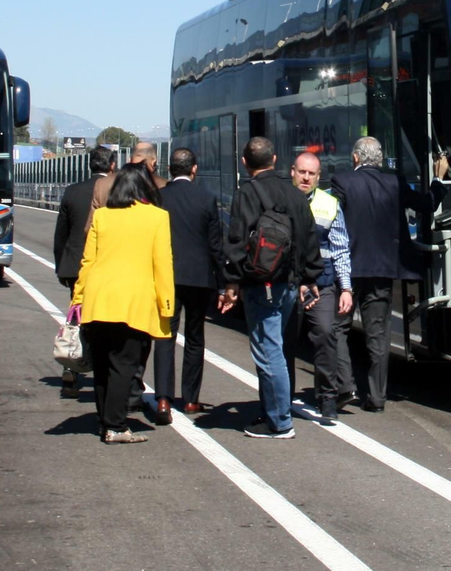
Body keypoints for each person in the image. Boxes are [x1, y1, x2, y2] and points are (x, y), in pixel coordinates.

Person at [218, 136, 322, 439]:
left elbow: (237, 241)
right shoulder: (294, 194)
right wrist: (310, 277)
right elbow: (308, 237)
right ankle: (272, 412)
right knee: (276, 346)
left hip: (261, 283)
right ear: (275, 161)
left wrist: (232, 283)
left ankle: (279, 421)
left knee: (268, 349)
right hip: (290, 282)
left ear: (245, 163)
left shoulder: (246, 193)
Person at [71, 163, 175, 444]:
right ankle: (116, 426)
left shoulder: (103, 216)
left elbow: (88, 261)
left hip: (98, 298)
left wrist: (78, 297)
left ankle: (105, 419)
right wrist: (167, 305)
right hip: (135, 302)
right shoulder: (156, 217)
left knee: (103, 364)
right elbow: (162, 265)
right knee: (125, 364)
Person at [330, 136, 432, 413]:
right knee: (378, 335)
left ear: (355, 158)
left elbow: (329, 219)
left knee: (337, 328)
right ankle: (376, 397)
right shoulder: (394, 183)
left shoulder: (342, 182)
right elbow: (426, 203)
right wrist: (439, 182)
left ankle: (345, 386)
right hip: (383, 270)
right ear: (380, 159)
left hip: (349, 271)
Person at [151, 147, 222, 423]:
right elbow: (215, 245)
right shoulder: (206, 197)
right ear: (194, 169)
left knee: (165, 335)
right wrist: (225, 282)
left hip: (167, 275)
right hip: (199, 278)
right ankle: (191, 399)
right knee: (195, 337)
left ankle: (164, 399)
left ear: (170, 170)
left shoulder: (160, 197)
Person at [291, 151, 352, 423]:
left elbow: (340, 250)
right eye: (302, 172)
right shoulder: (281, 199)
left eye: (311, 174)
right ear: (292, 171)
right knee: (284, 342)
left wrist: (346, 288)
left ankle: (328, 396)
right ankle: (282, 397)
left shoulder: (330, 204)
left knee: (326, 335)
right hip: (289, 285)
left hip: (323, 285)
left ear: (318, 177)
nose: (306, 177)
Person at [53, 146, 115, 398]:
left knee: (77, 317)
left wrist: (62, 266)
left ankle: (71, 369)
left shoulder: (72, 192)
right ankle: (106, 371)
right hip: (106, 264)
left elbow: (61, 236)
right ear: (112, 166)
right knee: (106, 320)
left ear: (89, 165)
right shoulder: (116, 192)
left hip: (76, 267)